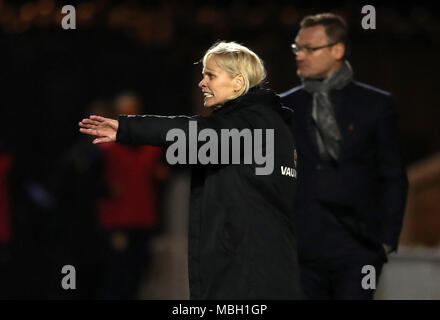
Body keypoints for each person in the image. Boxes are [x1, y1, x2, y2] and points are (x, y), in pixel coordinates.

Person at [79, 41, 302, 299]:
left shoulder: (250, 125)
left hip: (248, 275)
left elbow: (192, 132)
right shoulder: (272, 126)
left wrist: (127, 129)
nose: (202, 83)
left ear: (238, 84)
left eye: (211, 75)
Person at [279, 13, 408, 299]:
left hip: (358, 246)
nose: (300, 56)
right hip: (300, 247)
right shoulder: (284, 107)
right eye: (296, 48)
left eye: (309, 49)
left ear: (337, 50)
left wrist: (386, 240)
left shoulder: (375, 105)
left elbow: (393, 175)